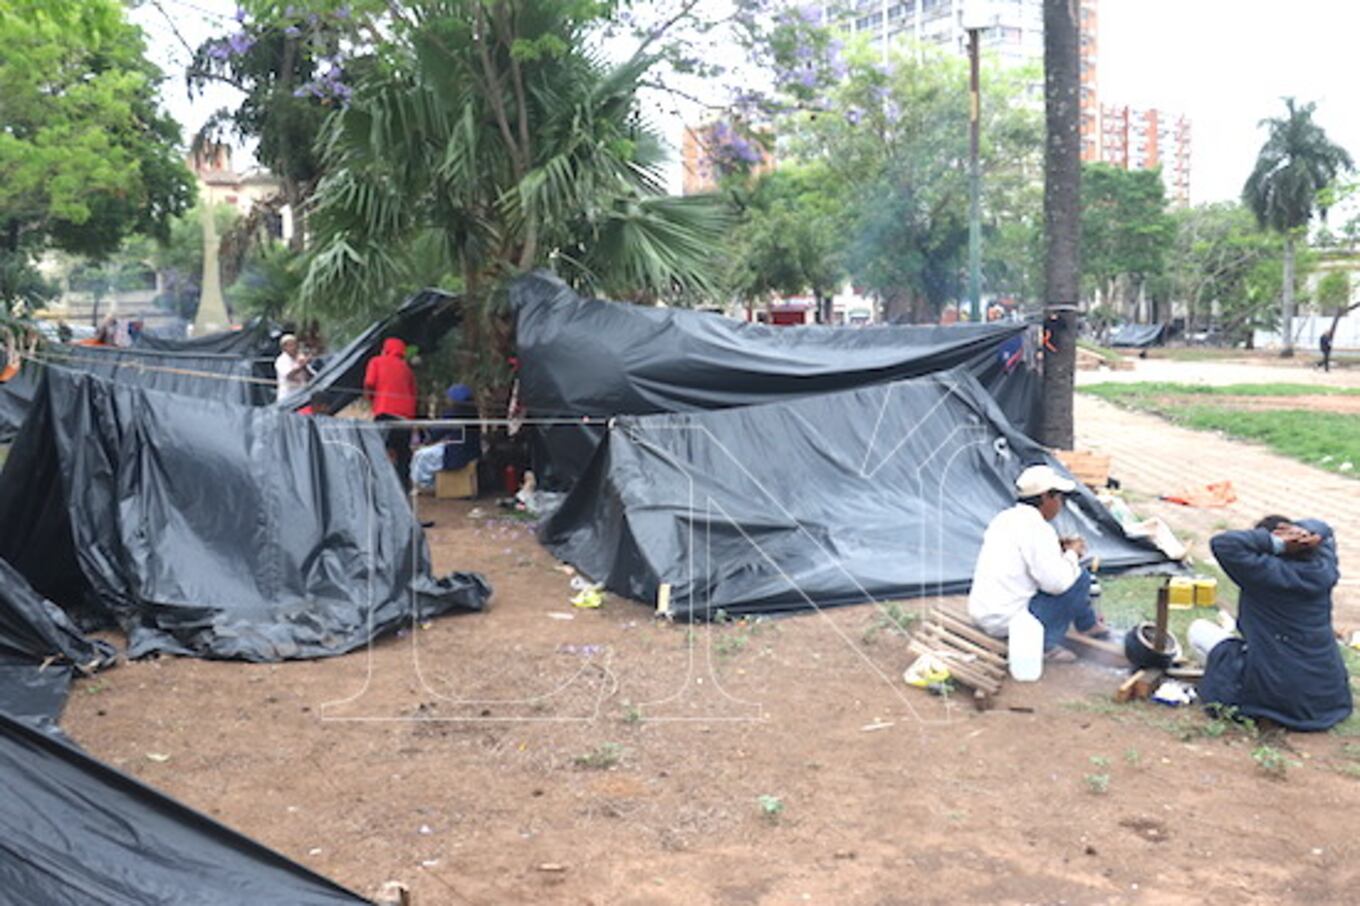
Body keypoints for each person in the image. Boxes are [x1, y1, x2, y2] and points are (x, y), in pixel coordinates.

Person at [1192, 516, 1352, 731]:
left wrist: (1277, 543)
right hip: (1326, 698)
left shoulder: (1262, 571)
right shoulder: (1323, 568)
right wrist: (1306, 532)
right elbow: (1325, 528)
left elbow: (1223, 543)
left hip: (1275, 691)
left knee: (1199, 630)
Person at [968, 464, 1109, 663]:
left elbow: (1023, 555)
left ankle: (1088, 624)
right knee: (1080, 578)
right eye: (1059, 497)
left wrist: (1057, 547)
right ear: (1046, 497)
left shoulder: (1004, 518)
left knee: (1071, 572)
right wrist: (1072, 554)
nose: (1060, 504)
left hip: (983, 612)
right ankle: (1044, 646)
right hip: (1008, 621)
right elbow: (1056, 584)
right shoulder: (1038, 529)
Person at [363, 337, 418, 492]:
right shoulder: (406, 369)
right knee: (403, 454)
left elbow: (369, 384)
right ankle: (403, 489)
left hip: (385, 413)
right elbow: (414, 394)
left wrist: (372, 401)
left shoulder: (376, 362)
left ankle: (380, 489)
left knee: (380, 452)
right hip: (406, 417)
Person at [411, 383, 481, 490]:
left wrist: (428, 430)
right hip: (470, 449)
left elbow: (438, 431)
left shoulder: (455, 412)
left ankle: (426, 485)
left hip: (457, 451)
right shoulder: (473, 412)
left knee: (420, 456)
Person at [274, 334, 310, 402]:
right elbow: (289, 375)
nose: (294, 347)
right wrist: (301, 365)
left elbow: (309, 375)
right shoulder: (281, 360)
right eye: (291, 345)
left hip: (301, 396)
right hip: (288, 397)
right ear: (284, 347)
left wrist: (305, 365)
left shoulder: (299, 357)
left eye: (295, 345)